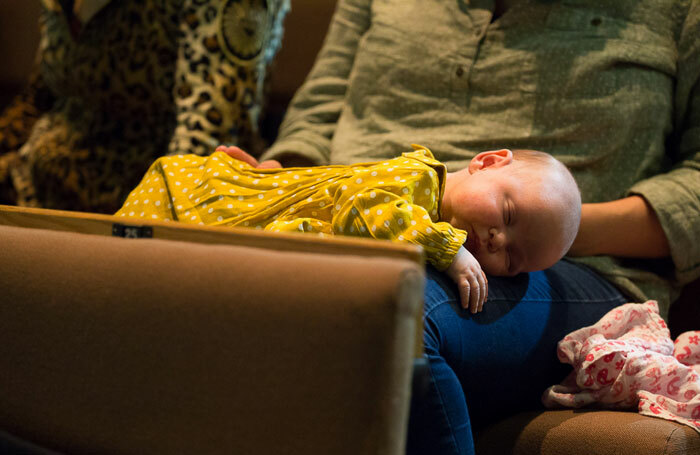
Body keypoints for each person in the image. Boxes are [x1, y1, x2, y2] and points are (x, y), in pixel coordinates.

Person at [214, 1, 700, 453]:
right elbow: (317, 112)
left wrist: (530, 238)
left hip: (567, 265)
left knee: (390, 303)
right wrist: (285, 183)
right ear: (486, 162)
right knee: (171, 266)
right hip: (342, 217)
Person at [116, 144, 581, 314]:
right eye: (510, 214)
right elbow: (363, 211)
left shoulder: (417, 219)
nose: (500, 241)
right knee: (116, 269)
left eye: (513, 259)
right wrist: (448, 250)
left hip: (232, 233)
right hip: (193, 191)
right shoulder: (414, 176)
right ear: (486, 162)